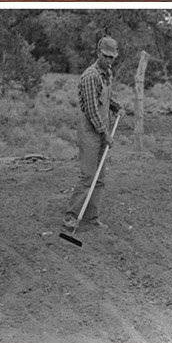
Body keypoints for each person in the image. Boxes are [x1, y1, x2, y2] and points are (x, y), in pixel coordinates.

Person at [63, 36, 122, 231]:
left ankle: (91, 217)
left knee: (100, 177)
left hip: (101, 129)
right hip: (90, 132)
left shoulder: (108, 73)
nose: (109, 60)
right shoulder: (90, 76)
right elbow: (91, 109)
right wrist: (105, 134)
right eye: (106, 56)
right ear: (98, 54)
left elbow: (104, 97)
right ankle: (71, 216)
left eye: (112, 57)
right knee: (88, 176)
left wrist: (115, 106)